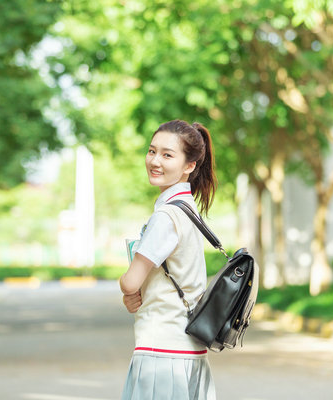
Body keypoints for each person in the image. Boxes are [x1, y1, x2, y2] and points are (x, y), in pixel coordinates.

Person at [119, 119, 217, 400]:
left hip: (162, 352)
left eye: (167, 155)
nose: (155, 161)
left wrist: (126, 286)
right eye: (152, 151)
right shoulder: (188, 210)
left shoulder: (166, 216)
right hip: (188, 351)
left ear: (190, 165)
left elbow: (131, 282)